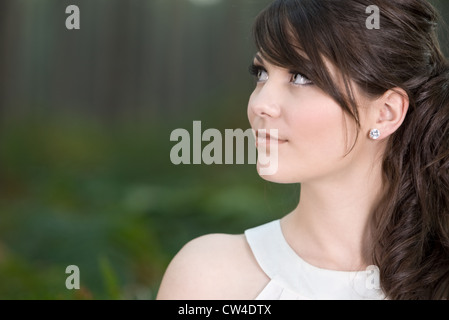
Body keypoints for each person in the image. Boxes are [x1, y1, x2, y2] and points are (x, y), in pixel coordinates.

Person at [157, 0, 449, 300]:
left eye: (300, 76)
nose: (259, 104)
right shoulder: (210, 278)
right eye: (261, 73)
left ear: (385, 112)